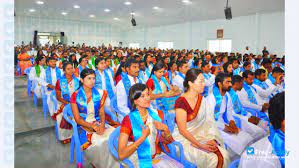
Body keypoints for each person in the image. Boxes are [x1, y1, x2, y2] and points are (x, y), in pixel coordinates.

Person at [172, 68, 230, 167]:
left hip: (201, 135)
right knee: (213, 159)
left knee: (224, 155)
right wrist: (200, 145)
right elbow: (183, 130)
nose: (204, 84)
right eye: (201, 82)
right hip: (185, 139)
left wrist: (212, 138)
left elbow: (209, 122)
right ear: (190, 83)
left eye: (204, 81)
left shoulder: (202, 99)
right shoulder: (181, 102)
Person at [118, 83, 184, 168]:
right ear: (135, 101)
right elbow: (121, 154)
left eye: (148, 94)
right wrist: (143, 137)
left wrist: (166, 129)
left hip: (155, 156)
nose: (147, 98)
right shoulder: (128, 120)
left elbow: (168, 141)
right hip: (138, 159)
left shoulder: (155, 114)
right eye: (142, 96)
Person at [70, 68, 119, 167]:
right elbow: (78, 119)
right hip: (83, 125)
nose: (92, 81)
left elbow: (101, 113)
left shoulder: (100, 93)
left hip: (97, 121)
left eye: (94, 78)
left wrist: (101, 125)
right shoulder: (75, 96)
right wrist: (94, 127)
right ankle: (100, 163)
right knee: (100, 142)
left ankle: (113, 163)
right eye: (89, 78)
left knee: (115, 135)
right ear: (82, 80)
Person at [207, 73, 253, 158]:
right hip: (214, 127)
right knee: (238, 143)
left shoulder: (227, 95)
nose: (230, 85)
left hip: (224, 123)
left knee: (247, 137)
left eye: (230, 82)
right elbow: (210, 120)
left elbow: (229, 112)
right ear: (219, 84)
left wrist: (232, 123)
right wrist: (227, 128)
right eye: (227, 82)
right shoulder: (212, 98)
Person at [239, 92, 285, 168]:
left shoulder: (251, 88)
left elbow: (261, 96)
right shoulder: (266, 162)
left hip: (266, 111)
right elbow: (244, 104)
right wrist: (252, 114)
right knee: (256, 133)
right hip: (246, 116)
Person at [228, 75, 268, 140]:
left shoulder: (235, 93)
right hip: (238, 119)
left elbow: (240, 108)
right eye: (242, 83)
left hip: (243, 115)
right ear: (236, 84)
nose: (243, 85)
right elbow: (233, 112)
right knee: (259, 132)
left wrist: (248, 115)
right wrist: (247, 118)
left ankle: (267, 131)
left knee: (264, 124)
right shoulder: (231, 95)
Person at [53, 61, 80, 144]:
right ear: (64, 71)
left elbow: (80, 94)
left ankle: (77, 134)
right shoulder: (60, 81)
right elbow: (58, 97)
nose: (71, 70)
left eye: (72, 68)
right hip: (64, 102)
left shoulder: (77, 80)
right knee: (64, 113)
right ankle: (65, 136)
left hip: (75, 102)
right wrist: (68, 103)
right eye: (68, 69)